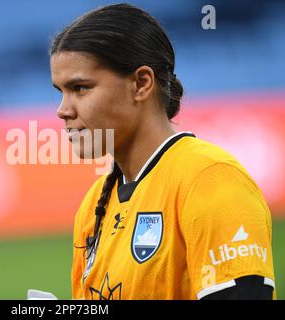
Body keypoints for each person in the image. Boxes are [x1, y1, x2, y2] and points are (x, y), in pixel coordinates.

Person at [49, 3, 275, 300]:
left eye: (80, 88)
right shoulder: (93, 206)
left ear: (141, 84)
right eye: (60, 91)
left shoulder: (210, 179)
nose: (62, 110)